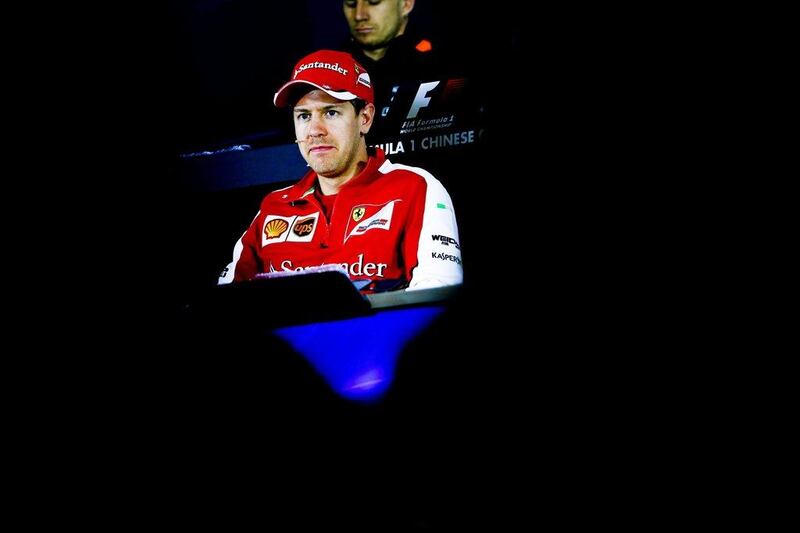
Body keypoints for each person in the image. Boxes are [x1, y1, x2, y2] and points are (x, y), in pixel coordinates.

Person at [218, 49, 462, 292]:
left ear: (364, 118)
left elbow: (438, 293)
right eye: (303, 116)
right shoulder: (272, 207)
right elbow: (224, 305)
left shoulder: (415, 188)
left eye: (331, 112)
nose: (314, 130)